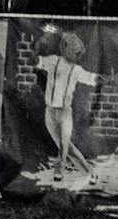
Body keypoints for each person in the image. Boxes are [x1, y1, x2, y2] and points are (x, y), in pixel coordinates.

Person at [36, 24, 96, 181]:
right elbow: (35, 60)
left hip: (65, 112)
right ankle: (89, 172)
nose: (75, 53)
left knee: (64, 144)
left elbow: (92, 78)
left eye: (77, 51)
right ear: (65, 49)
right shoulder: (53, 61)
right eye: (73, 49)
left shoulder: (76, 70)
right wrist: (38, 42)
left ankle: (61, 171)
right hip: (50, 111)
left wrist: (110, 79)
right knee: (65, 146)